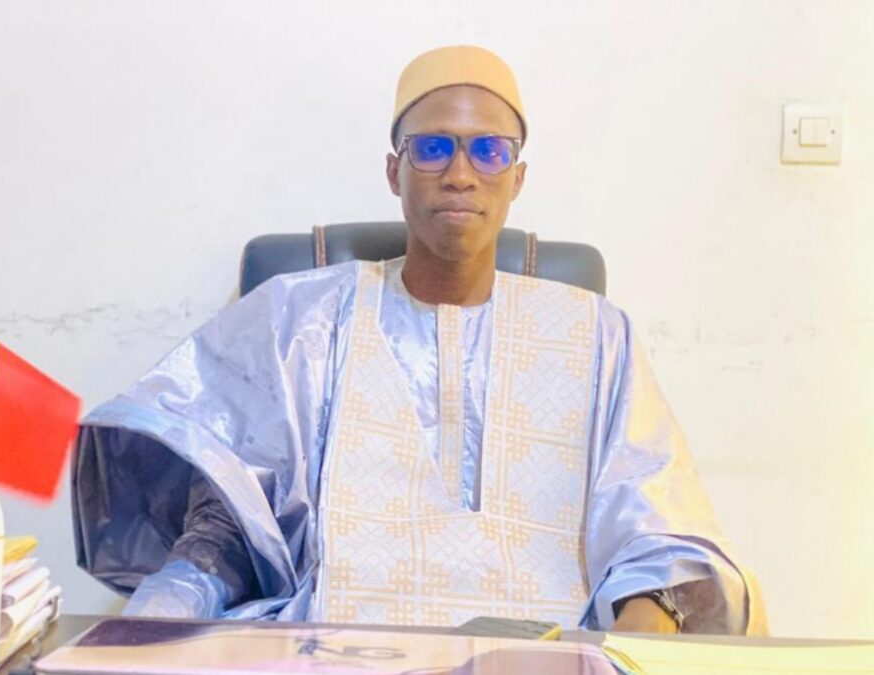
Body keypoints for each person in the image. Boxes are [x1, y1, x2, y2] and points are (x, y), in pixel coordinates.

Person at [70, 45, 766, 635]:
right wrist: (149, 627)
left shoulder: (596, 334)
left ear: (517, 177)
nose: (460, 174)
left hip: (548, 656)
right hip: (331, 649)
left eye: (489, 151)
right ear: (394, 171)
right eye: (433, 148)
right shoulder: (299, 320)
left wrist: (633, 654)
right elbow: (220, 535)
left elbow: (657, 548)